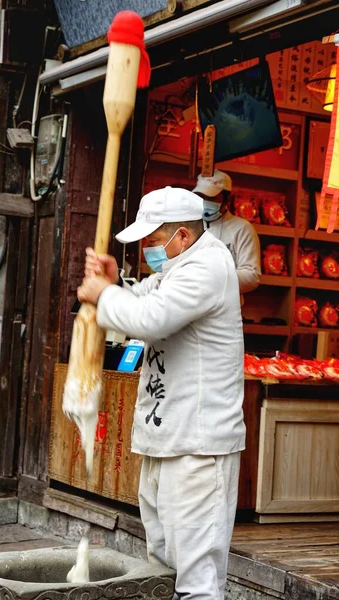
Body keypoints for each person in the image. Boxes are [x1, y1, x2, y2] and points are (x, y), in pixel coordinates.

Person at [77, 186, 245, 600]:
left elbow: (151, 318)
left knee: (196, 581)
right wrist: (114, 284)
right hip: (168, 442)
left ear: (182, 236)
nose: (147, 252)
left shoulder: (208, 266)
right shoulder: (176, 269)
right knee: (162, 570)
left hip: (198, 448)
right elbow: (139, 301)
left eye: (152, 242)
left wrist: (103, 294)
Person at [193, 170, 261, 295]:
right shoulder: (188, 225)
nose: (204, 202)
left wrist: (212, 279)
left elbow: (251, 276)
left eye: (211, 198)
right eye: (200, 196)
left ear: (227, 199)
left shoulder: (241, 228)